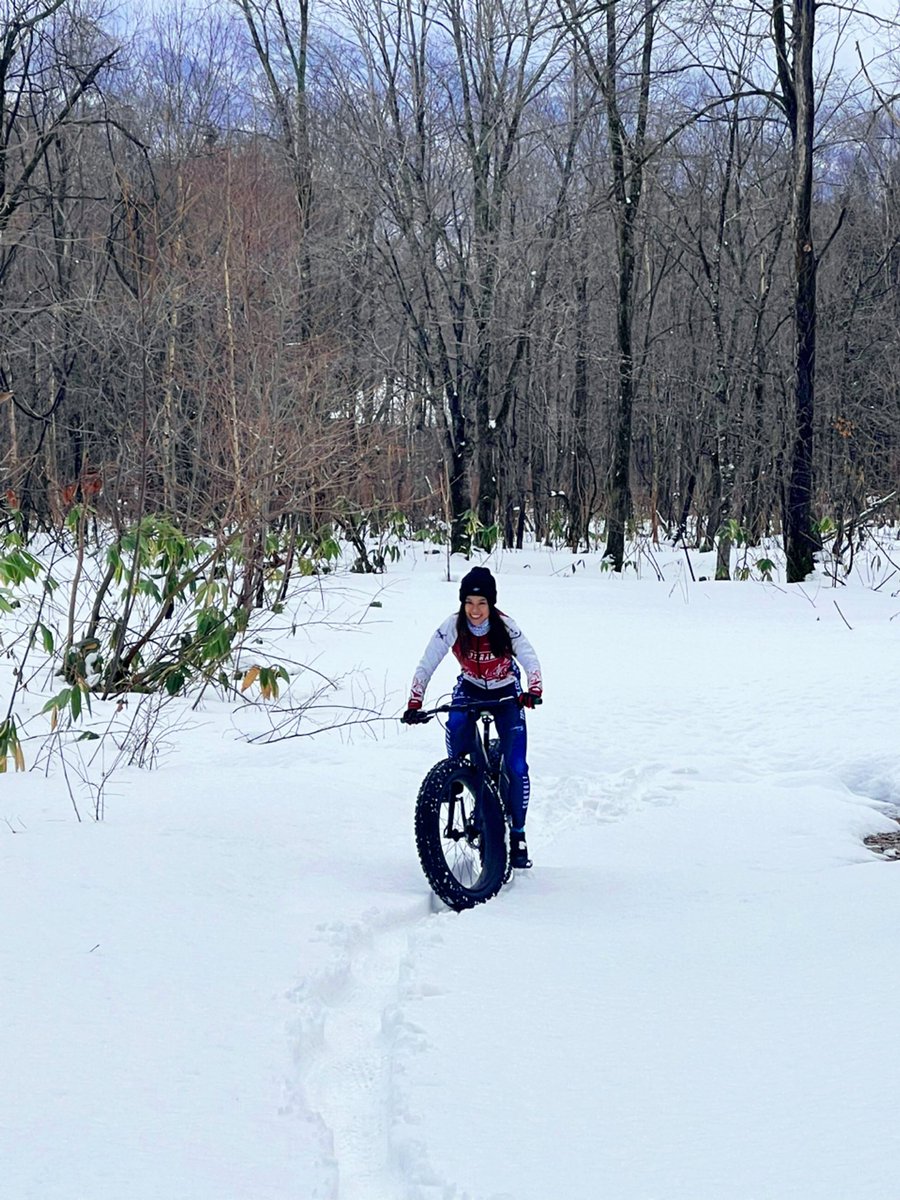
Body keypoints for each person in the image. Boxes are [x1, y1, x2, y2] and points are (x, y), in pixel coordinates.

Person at [402, 566, 543, 869]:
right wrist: (415, 702)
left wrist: (534, 689)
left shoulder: (505, 626)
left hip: (506, 693)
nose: (475, 610)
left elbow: (529, 657)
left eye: (481, 603)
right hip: (471, 687)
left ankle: (517, 833)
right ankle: (457, 775)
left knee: (517, 767)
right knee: (455, 723)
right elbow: (427, 662)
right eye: (469, 602)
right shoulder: (452, 626)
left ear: (491, 604)